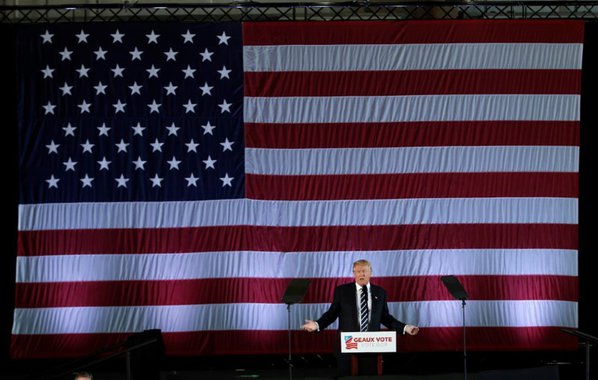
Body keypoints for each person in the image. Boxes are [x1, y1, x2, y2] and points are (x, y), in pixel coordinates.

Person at [302, 259, 419, 376]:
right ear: (354, 273)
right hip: (347, 347)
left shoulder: (380, 292)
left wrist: (405, 327)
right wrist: (317, 324)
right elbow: (331, 314)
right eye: (358, 271)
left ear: (370, 273)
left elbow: (386, 318)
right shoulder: (342, 291)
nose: (361, 274)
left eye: (364, 271)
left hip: (371, 347)